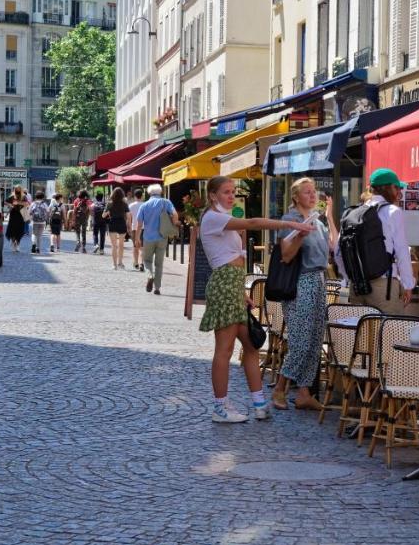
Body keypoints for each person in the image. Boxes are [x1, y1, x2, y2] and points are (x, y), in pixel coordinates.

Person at [199, 175, 315, 423]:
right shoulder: (212, 218)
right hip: (224, 285)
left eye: (233, 191)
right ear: (212, 196)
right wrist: (293, 226)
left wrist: (241, 291)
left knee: (251, 346)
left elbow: (231, 255)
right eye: (226, 192)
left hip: (232, 284)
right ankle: (220, 407)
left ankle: (260, 404)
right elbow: (252, 222)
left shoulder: (225, 219)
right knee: (225, 349)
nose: (231, 196)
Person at [273, 177, 338, 412]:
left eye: (314, 192)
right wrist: (300, 233)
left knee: (314, 340)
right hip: (301, 281)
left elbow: (333, 246)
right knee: (300, 340)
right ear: (296, 197)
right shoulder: (290, 219)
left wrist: (329, 216)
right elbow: (286, 255)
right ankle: (280, 388)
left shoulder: (317, 222)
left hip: (319, 280)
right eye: (307, 192)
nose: (313, 196)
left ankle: (303, 392)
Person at [338, 168, 416, 314]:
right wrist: (408, 285)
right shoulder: (393, 212)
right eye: (397, 187)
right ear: (387, 188)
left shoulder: (352, 213)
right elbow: (402, 252)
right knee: (388, 334)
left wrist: (351, 278)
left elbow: (339, 252)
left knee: (361, 334)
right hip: (383, 287)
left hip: (357, 286)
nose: (399, 191)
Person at [134, 184, 177, 295]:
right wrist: (173, 225)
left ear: (149, 193)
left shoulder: (144, 205)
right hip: (162, 237)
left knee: (147, 260)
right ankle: (157, 288)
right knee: (159, 264)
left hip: (148, 237)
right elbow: (175, 215)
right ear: (160, 192)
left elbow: (139, 224)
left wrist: (137, 238)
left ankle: (149, 275)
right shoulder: (166, 202)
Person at [106, 188, 131, 270]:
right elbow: (128, 216)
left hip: (112, 223)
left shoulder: (110, 204)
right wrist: (129, 226)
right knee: (121, 245)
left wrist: (108, 212)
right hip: (121, 223)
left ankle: (114, 265)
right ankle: (120, 263)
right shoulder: (124, 204)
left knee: (114, 245)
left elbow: (103, 215)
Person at [6, 186, 29, 253]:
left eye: (18, 189)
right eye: (16, 189)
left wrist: (18, 203)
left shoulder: (23, 196)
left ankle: (18, 244)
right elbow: (5, 201)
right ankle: (13, 244)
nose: (17, 190)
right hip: (13, 215)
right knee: (13, 230)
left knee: (20, 230)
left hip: (21, 215)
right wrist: (10, 205)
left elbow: (27, 204)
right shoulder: (12, 196)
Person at [129, 187, 147, 272]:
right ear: (142, 196)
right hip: (143, 228)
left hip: (134, 228)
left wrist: (128, 228)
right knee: (142, 247)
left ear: (134, 196)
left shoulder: (131, 206)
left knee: (135, 246)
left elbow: (129, 218)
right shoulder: (145, 205)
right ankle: (142, 263)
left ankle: (136, 263)